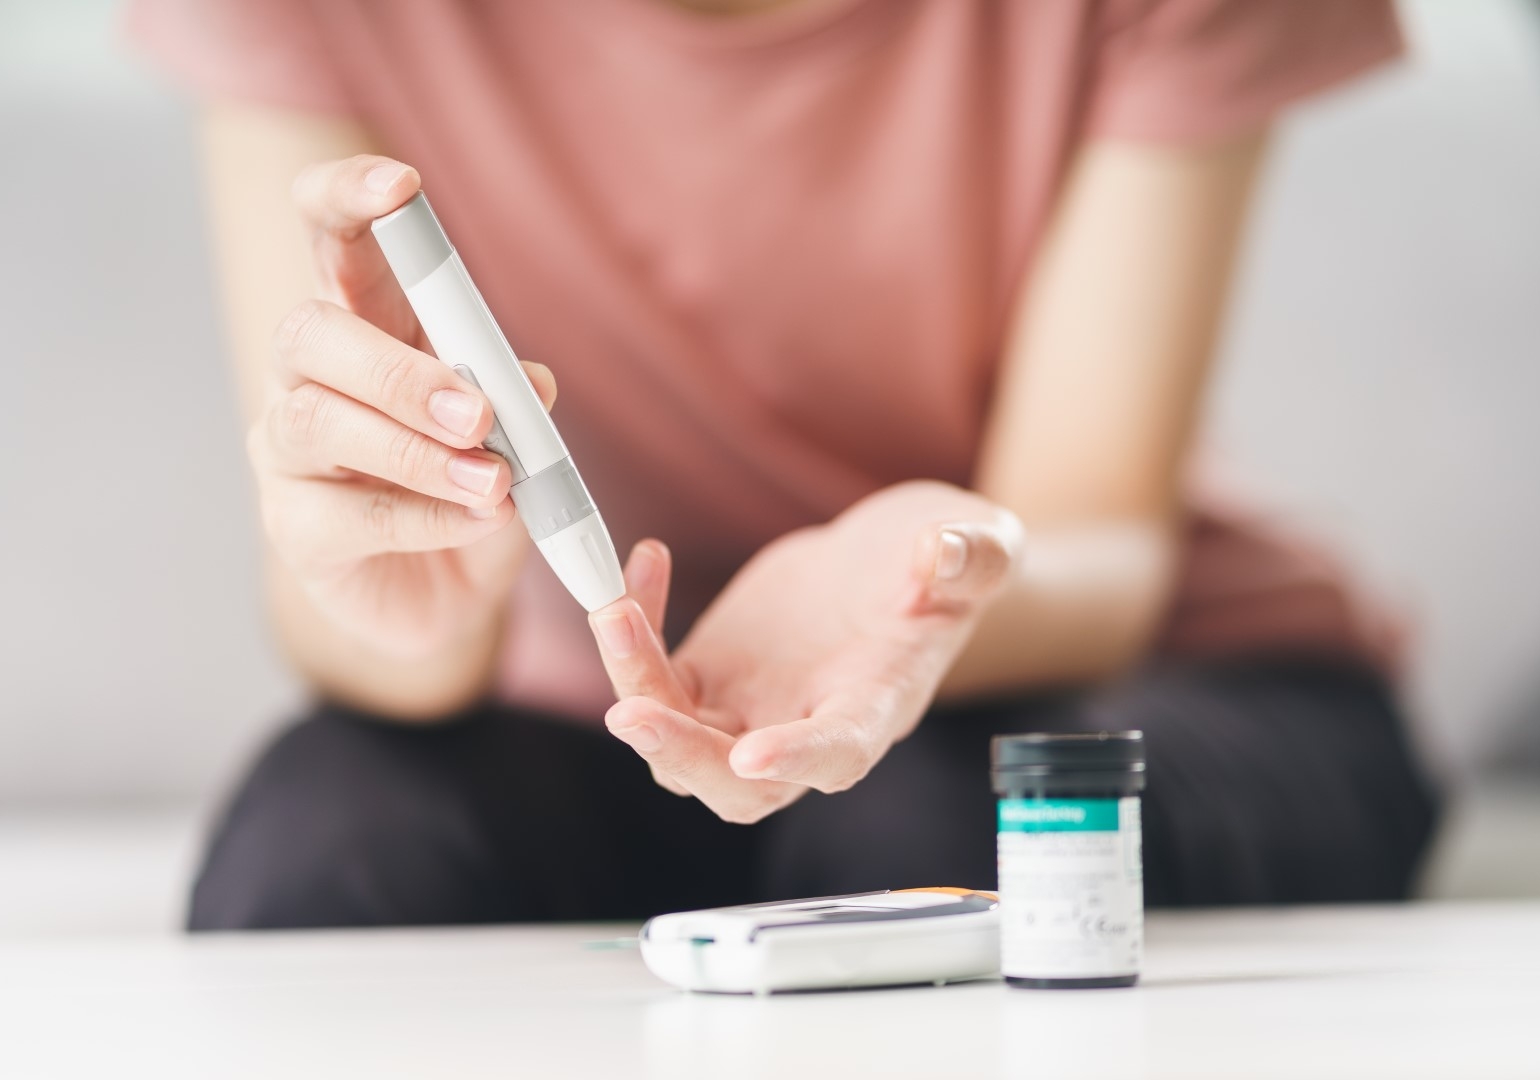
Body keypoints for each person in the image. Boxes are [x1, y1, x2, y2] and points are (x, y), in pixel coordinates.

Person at [128, 0, 1438, 930]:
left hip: (1111, 671)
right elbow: (339, 599)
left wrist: (922, 575)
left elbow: (1101, 544)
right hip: (591, 704)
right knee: (326, 849)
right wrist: (432, 587)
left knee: (920, 839)